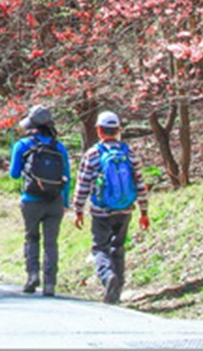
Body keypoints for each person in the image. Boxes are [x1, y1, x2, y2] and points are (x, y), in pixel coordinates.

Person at [72, 110, 150, 304]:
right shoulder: (129, 153)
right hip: (125, 209)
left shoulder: (92, 154)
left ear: (99, 130)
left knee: (100, 248)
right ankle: (117, 289)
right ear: (117, 131)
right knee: (118, 247)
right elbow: (139, 182)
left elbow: (82, 184)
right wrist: (144, 211)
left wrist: (78, 209)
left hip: (101, 211)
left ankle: (108, 277)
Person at [9, 104, 71, 297]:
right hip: (54, 201)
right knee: (51, 242)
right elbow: (67, 176)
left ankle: (32, 276)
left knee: (32, 237)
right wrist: (65, 202)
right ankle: (50, 283)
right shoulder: (59, 147)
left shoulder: (23, 145)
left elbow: (14, 174)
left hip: (31, 199)